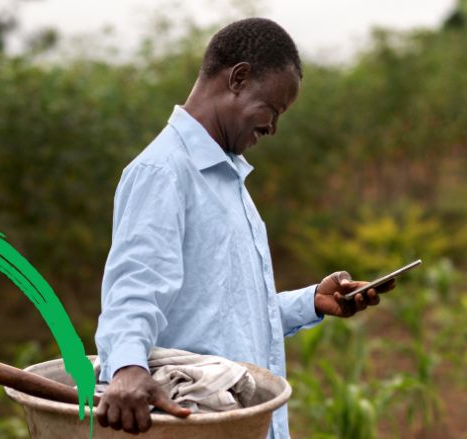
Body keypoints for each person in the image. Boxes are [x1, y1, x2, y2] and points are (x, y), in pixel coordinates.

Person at [94, 17, 394, 438]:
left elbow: (224, 312)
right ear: (238, 78)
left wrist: (311, 302)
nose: (272, 128)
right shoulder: (163, 172)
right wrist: (126, 367)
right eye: (272, 110)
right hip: (198, 424)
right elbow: (134, 288)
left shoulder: (228, 179)